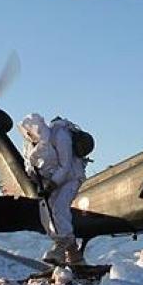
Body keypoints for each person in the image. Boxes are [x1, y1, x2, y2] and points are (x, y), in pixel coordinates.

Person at [18, 113, 86, 265]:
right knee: (46, 213)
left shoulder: (59, 136)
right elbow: (29, 165)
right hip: (49, 182)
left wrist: (53, 184)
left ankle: (63, 246)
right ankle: (72, 254)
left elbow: (65, 164)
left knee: (59, 208)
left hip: (70, 177)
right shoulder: (29, 146)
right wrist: (36, 179)